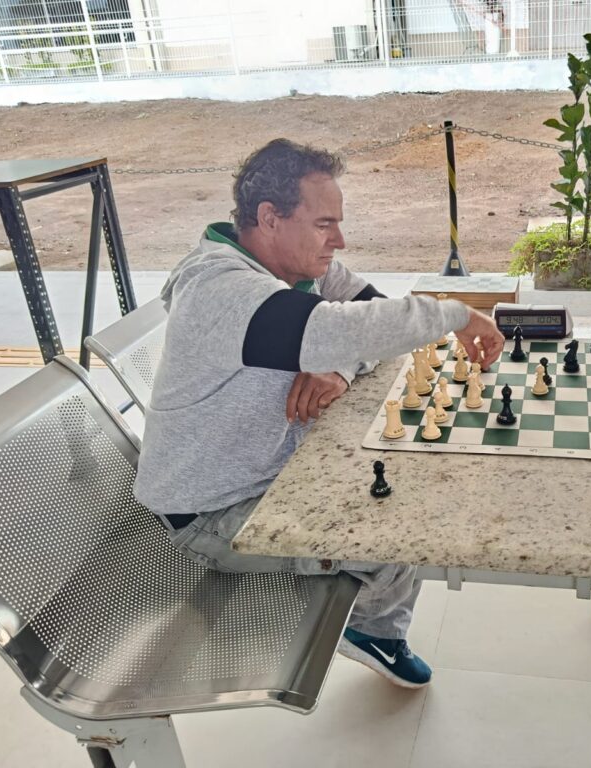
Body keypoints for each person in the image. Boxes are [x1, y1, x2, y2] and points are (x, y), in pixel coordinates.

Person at [134, 138, 503, 690]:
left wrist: (339, 369)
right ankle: (372, 631)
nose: (340, 240)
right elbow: (340, 329)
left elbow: (370, 318)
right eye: (324, 224)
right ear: (270, 218)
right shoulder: (218, 286)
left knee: (408, 481)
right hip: (212, 515)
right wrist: (453, 314)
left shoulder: (300, 270)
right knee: (396, 533)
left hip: (270, 472)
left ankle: (373, 620)